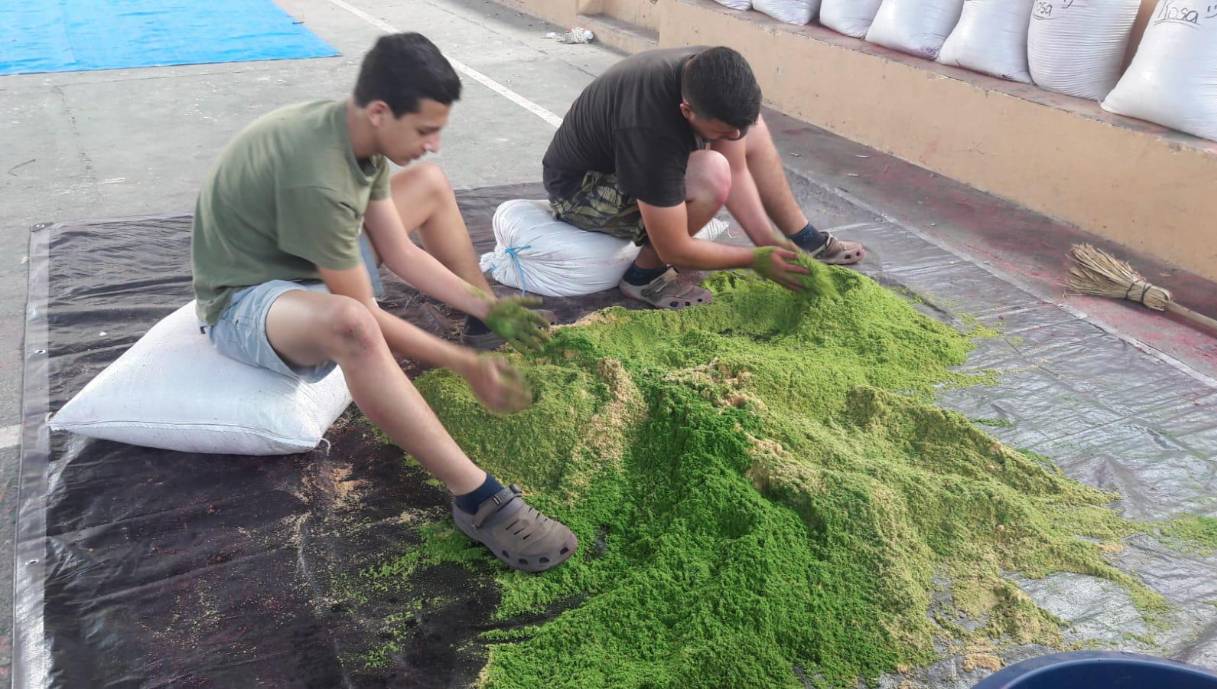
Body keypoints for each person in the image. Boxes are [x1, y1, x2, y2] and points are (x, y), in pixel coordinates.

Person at [191, 32, 576, 573]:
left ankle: (483, 319)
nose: (433, 142)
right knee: (352, 325)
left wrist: (489, 308)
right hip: (248, 299)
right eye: (424, 130)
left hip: (307, 259)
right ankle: (477, 498)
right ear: (379, 111)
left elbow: (399, 251)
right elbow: (364, 313)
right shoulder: (317, 176)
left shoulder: (358, 141)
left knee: (430, 182)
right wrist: (464, 365)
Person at [542, 46, 865, 309]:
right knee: (710, 174)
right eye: (723, 132)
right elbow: (674, 248)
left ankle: (805, 239)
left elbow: (736, 168)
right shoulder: (650, 128)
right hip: (580, 192)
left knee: (751, 130)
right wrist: (755, 259)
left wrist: (768, 242)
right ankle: (644, 277)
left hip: (635, 159)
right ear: (686, 111)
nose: (734, 138)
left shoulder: (712, 73)